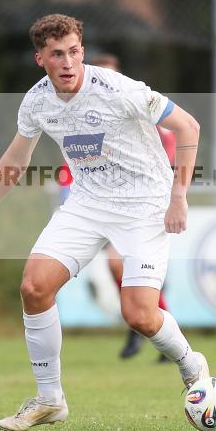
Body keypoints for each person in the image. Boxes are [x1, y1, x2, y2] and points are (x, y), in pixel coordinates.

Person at [0, 14, 209, 431]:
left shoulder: (119, 88)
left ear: (82, 51)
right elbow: (16, 160)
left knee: (140, 316)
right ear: (41, 59)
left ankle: (191, 363)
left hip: (145, 205)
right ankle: (49, 399)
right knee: (34, 287)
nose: (67, 62)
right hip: (88, 203)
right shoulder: (36, 101)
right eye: (57, 54)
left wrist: (178, 196)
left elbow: (188, 126)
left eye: (74, 51)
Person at [59, 50, 175, 362]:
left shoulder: (138, 107)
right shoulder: (82, 118)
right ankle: (145, 325)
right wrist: (66, 186)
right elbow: (75, 157)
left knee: (129, 270)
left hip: (145, 205)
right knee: (117, 266)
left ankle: (149, 325)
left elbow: (173, 142)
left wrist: (174, 195)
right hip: (106, 205)